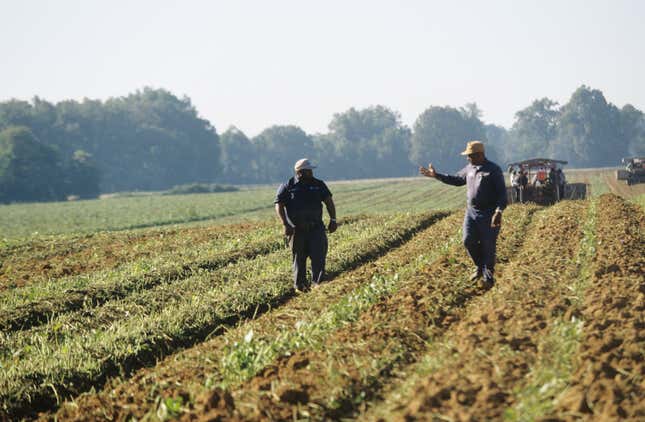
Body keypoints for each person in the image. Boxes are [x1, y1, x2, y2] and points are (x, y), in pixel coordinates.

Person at [419, 140, 507, 289]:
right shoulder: (469, 168)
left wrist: (498, 211)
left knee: (488, 246)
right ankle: (479, 267)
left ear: (480, 155)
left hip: (489, 214)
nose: (468, 158)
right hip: (471, 213)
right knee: (468, 240)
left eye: (470, 156)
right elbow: (457, 180)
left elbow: (502, 195)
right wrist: (437, 175)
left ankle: (488, 278)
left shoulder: (493, 170)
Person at [275, 158, 337, 292]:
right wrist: (285, 224)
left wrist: (333, 219)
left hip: (316, 229)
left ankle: (318, 285)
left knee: (319, 257)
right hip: (297, 231)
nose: (312, 173)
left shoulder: (318, 184)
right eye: (309, 170)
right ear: (300, 172)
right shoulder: (288, 186)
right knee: (299, 259)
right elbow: (279, 205)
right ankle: (300, 287)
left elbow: (329, 202)